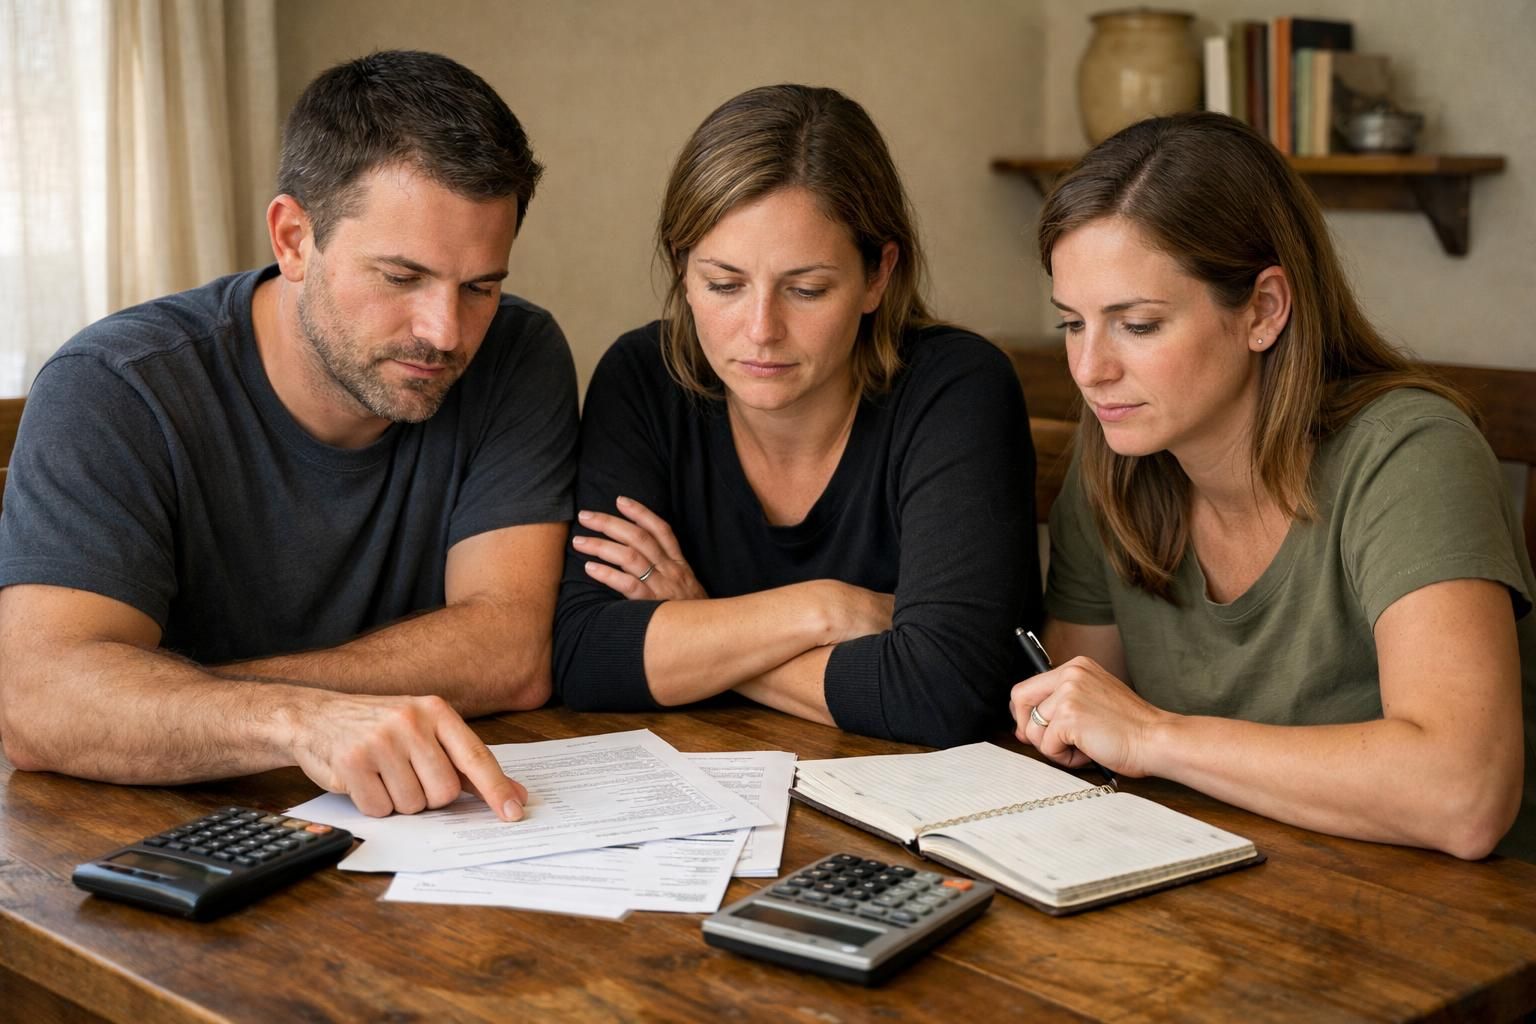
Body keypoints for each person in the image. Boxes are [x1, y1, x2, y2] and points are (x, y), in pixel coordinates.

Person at [0, 51, 579, 821]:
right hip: (146, 839)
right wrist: (297, 719)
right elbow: (41, 703)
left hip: (422, 830)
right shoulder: (116, 386)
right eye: (401, 278)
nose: (446, 332)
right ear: (294, 238)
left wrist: (169, 699)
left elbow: (508, 652)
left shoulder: (515, 352)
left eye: (480, 286)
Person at [1010, 112, 1534, 860]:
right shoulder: (1114, 470)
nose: (1090, 369)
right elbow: (1082, 735)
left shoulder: (1410, 454)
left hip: (1458, 932)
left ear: (1263, 309)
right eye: (1072, 325)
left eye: (1138, 325)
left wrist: (1155, 737)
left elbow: (1465, 795)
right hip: (1235, 900)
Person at [554, 84, 1041, 746]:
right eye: (723, 285)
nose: (760, 330)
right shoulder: (645, 378)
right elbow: (584, 654)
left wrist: (701, 626)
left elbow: (941, 691)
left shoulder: (957, 389)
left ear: (878, 277)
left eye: (807, 289)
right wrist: (823, 611)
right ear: (682, 268)